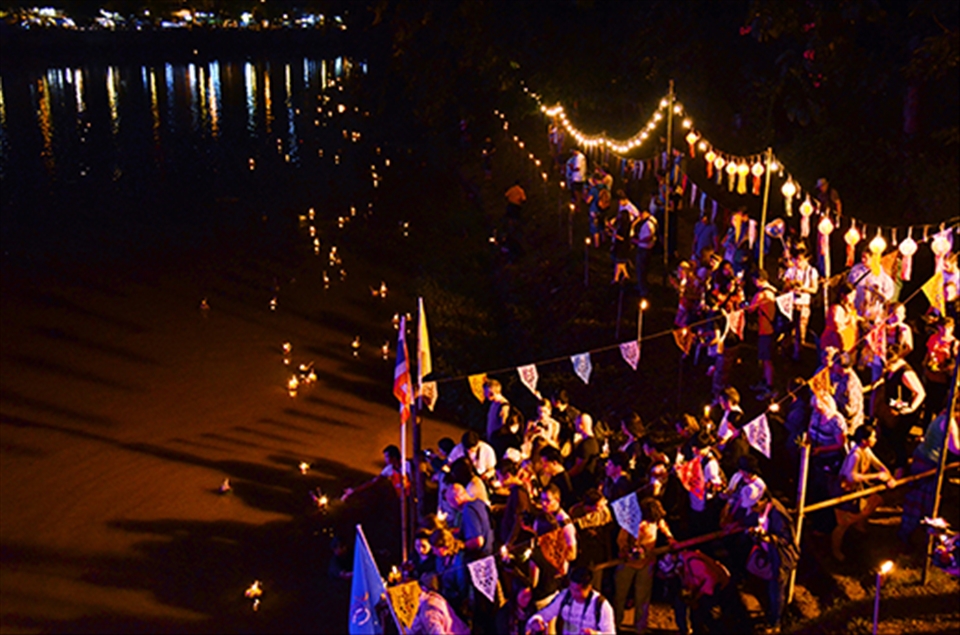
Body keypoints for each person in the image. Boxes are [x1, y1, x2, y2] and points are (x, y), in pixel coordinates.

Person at [897, 409, 960, 547]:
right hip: (928, 464)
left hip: (922, 458)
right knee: (921, 501)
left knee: (919, 500)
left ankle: (913, 533)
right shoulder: (948, 421)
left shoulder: (941, 416)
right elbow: (955, 448)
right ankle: (909, 535)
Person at [831, 425, 894, 561]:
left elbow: (879, 465)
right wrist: (876, 476)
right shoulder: (855, 455)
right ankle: (836, 550)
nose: (875, 439)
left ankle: (858, 525)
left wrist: (888, 476)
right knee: (843, 524)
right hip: (845, 491)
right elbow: (851, 475)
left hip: (857, 490)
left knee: (874, 501)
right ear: (865, 440)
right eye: (873, 437)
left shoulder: (867, 451)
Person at [614, 497, 675, 634]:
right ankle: (616, 624)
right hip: (627, 563)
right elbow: (621, 540)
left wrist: (670, 538)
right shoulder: (631, 521)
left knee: (643, 597)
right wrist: (627, 551)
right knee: (620, 595)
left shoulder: (655, 519)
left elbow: (663, 526)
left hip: (647, 563)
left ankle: (640, 628)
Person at [870, 342, 926, 474]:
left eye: (888, 364)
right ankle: (892, 461)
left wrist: (910, 408)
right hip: (891, 407)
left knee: (897, 440)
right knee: (887, 435)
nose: (886, 367)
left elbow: (921, 393)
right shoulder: (890, 370)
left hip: (903, 410)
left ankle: (901, 467)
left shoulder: (905, 373)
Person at [525, 566, 616, 635]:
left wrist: (595, 634)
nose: (573, 593)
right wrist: (536, 620)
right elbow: (546, 613)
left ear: (589, 588)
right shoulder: (565, 595)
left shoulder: (601, 605)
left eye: (577, 591)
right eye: (571, 588)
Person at [781, 247, 819, 360]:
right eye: (797, 260)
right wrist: (790, 285)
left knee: (800, 331)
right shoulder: (791, 271)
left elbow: (814, 289)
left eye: (801, 260)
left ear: (807, 259)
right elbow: (785, 285)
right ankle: (784, 353)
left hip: (803, 304)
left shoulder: (812, 271)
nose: (798, 263)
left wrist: (803, 288)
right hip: (790, 304)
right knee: (787, 330)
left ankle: (798, 355)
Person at [747, 270, 779, 399]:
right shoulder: (773, 291)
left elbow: (750, 309)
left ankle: (770, 387)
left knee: (766, 360)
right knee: (767, 358)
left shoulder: (761, 294)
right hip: (772, 328)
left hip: (765, 329)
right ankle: (765, 381)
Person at [922, 317, 958, 426]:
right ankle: (925, 429)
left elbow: (956, 362)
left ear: (952, 329)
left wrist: (946, 367)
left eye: (947, 328)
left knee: (940, 405)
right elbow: (928, 353)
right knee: (928, 405)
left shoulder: (954, 343)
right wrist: (925, 364)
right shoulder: (933, 338)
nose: (944, 330)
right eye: (941, 328)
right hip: (931, 375)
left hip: (943, 378)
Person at [340, 444, 409, 501]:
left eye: (386, 457)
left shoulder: (407, 466)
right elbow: (373, 482)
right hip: (402, 499)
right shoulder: (389, 469)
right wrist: (354, 490)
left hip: (412, 498)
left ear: (393, 457)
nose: (385, 459)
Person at [820, 281, 858, 355]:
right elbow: (836, 326)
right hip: (836, 342)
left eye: (854, 295)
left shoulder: (850, 307)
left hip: (849, 341)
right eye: (851, 295)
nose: (853, 298)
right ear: (843, 295)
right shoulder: (836, 308)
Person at [631, 197, 658, 298]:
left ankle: (643, 290)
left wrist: (637, 241)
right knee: (643, 269)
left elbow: (649, 237)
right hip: (647, 248)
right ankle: (642, 286)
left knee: (641, 269)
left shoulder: (648, 224)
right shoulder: (653, 220)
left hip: (644, 248)